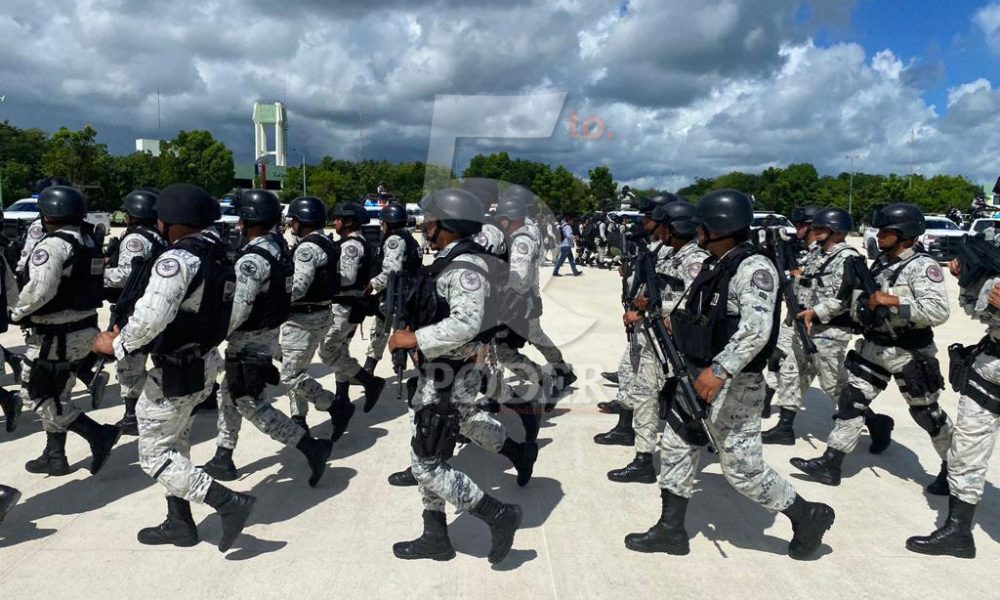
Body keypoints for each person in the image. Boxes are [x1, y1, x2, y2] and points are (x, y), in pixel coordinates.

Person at [625, 189, 834, 560]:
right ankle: (671, 530)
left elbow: (755, 330)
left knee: (742, 470)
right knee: (676, 448)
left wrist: (719, 371)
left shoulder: (754, 268)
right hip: (695, 373)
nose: (698, 232)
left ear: (718, 227)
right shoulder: (715, 263)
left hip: (733, 384)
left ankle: (806, 515)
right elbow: (704, 314)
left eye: (703, 226)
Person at [94, 183, 254, 551]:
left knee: (153, 455)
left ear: (171, 222)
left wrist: (115, 344)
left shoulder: (177, 260)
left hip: (174, 371)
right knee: (176, 445)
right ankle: (179, 522)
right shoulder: (220, 255)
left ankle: (227, 503)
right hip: (202, 362)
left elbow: (151, 319)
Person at [389, 188, 523, 564]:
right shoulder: (450, 261)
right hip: (438, 371)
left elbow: (467, 322)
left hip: (450, 376)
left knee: (425, 463)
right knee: (428, 450)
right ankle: (435, 535)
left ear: (446, 224)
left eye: (431, 220)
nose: (425, 226)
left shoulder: (466, 270)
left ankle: (498, 514)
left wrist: (415, 337)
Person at [791, 203, 953, 491]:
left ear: (904, 234)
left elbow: (937, 311)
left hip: (909, 353)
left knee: (927, 414)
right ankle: (831, 462)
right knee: (851, 401)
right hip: (875, 347)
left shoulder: (922, 266)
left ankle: (953, 469)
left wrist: (894, 302)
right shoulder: (880, 262)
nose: (879, 235)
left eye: (886, 231)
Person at [201, 190, 333, 487]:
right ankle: (223, 454)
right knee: (228, 398)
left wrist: (210, 336)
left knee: (249, 404)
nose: (237, 225)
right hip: (267, 335)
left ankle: (310, 447)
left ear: (251, 221)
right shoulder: (278, 249)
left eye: (242, 219)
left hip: (248, 341)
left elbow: (238, 309)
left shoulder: (252, 260)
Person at [15, 185, 121, 477]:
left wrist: (16, 312)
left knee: (37, 394)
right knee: (60, 390)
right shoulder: (86, 239)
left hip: (53, 336)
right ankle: (55, 455)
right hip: (83, 330)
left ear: (47, 213)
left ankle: (97, 433)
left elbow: (40, 290)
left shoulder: (52, 245)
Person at [906, 238, 1000, 559]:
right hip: (992, 365)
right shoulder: (993, 248)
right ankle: (958, 531)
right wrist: (969, 281)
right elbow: (976, 310)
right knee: (966, 448)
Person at [608, 198, 709, 483]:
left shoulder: (694, 260)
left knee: (687, 400)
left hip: (676, 341)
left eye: (663, 226)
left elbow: (692, 304)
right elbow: (661, 290)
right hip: (655, 337)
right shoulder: (668, 254)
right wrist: (642, 304)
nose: (658, 231)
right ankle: (642, 458)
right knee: (644, 394)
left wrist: (657, 312)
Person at [763, 208, 862, 444]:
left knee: (834, 386)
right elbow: (803, 276)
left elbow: (844, 298)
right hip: (803, 326)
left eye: (821, 229)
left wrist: (815, 312)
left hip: (830, 331)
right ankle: (785, 427)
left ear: (836, 232)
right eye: (815, 227)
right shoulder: (817, 252)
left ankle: (876, 423)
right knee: (791, 374)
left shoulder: (848, 258)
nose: (815, 232)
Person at [279, 197, 353, 438]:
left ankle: (334, 405)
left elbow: (297, 288)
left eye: (294, 221)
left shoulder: (307, 248)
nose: (291, 226)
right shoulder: (327, 242)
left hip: (303, 319)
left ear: (302, 221)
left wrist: (271, 300)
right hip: (321, 314)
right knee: (297, 368)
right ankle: (298, 418)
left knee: (291, 375)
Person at [102, 189, 167, 435]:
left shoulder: (134, 239)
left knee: (129, 364)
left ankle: (132, 416)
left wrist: (98, 275)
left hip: (133, 308)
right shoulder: (159, 237)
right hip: (151, 305)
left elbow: (126, 275)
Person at [314, 202, 385, 424]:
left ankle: (369, 381)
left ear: (349, 221)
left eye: (337, 218)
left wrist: (321, 276)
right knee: (340, 349)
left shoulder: (351, 245)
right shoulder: (350, 242)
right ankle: (342, 396)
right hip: (347, 305)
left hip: (344, 305)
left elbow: (346, 277)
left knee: (327, 350)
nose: (334, 221)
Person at [364, 202, 422, 373]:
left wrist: (372, 285)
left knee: (396, 336)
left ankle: (426, 374)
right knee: (385, 333)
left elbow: (392, 272)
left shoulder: (394, 240)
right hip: (408, 295)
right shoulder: (409, 238)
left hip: (397, 297)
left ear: (388, 223)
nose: (382, 226)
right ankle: (369, 368)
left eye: (383, 223)